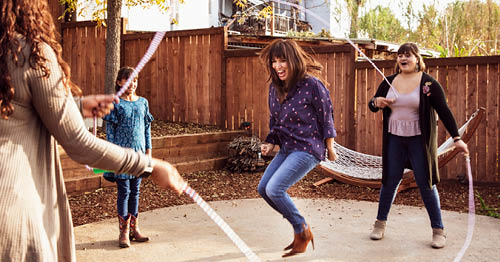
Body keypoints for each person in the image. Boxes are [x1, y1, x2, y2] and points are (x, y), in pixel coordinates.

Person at [0, 1, 185, 261]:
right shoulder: (30, 54)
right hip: (13, 207)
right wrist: (150, 166)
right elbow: (78, 143)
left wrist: (72, 106)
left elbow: (16, 109)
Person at [368, 42, 469, 249]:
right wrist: (376, 102)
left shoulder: (428, 84)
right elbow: (372, 104)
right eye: (400, 56)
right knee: (389, 182)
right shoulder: (388, 81)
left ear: (417, 59)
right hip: (394, 140)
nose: (403, 59)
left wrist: (457, 138)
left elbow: (445, 111)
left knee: (426, 184)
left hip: (418, 142)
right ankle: (380, 224)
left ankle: (438, 230)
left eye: (408, 55)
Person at [258, 39, 338, 257]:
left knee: (275, 189)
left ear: (293, 60)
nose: (278, 66)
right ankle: (300, 229)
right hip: (286, 148)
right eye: (274, 61)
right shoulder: (275, 89)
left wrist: (330, 147)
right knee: (263, 189)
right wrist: (270, 142)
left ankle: (302, 230)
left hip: (308, 148)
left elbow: (326, 117)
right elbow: (276, 122)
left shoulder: (312, 85)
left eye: (282, 60)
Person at [102, 66, 154, 248]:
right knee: (124, 191)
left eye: (135, 80)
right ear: (119, 82)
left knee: (136, 191)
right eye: (127, 79)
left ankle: (134, 229)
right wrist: (114, 155)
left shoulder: (143, 103)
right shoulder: (115, 103)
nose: (132, 83)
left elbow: (147, 129)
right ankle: (123, 232)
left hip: (139, 155)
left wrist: (149, 152)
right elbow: (110, 132)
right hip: (122, 156)